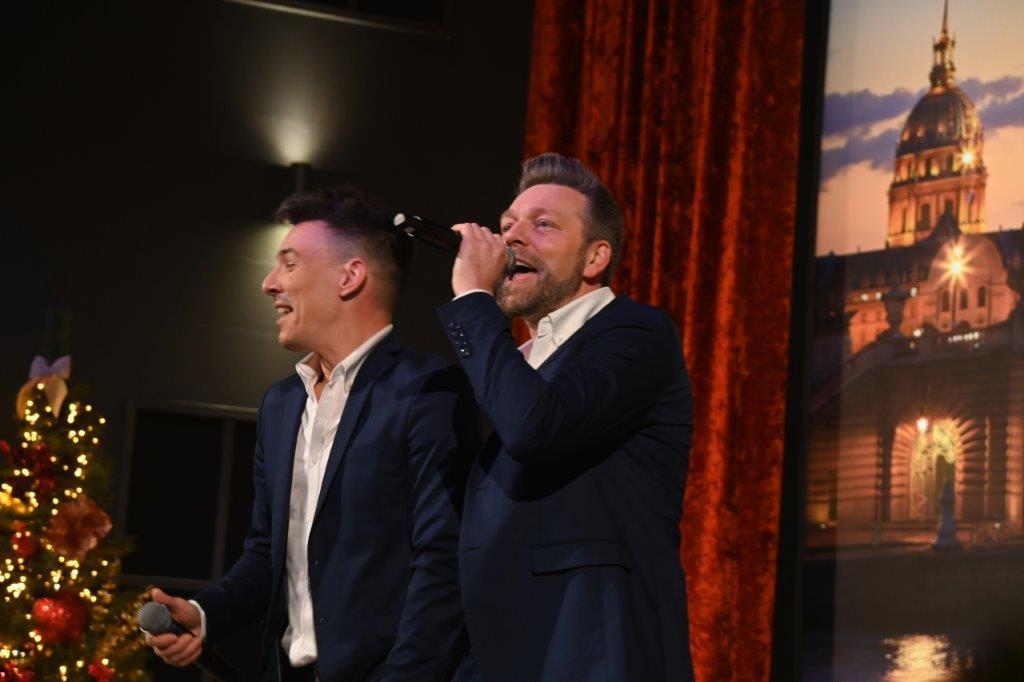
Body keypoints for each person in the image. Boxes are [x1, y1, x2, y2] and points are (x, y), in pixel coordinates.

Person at [146, 186, 479, 681]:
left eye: (289, 263)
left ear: (350, 276)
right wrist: (205, 614)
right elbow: (267, 555)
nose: (268, 283)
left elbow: (442, 563)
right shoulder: (281, 404)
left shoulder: (427, 392)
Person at [437, 153, 694, 681]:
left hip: (591, 648)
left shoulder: (636, 333)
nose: (512, 237)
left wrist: (473, 298)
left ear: (595, 257)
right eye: (507, 224)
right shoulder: (516, 363)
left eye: (543, 225)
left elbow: (535, 427)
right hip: (507, 649)